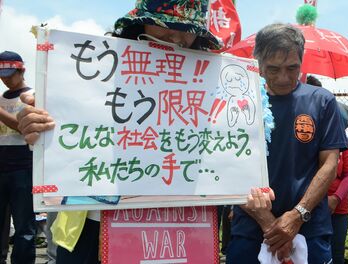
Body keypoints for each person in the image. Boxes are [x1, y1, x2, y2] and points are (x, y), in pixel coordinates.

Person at [16, 1, 222, 263]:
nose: (177, 37)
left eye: (187, 30)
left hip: (174, 228)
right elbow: (62, 128)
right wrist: (39, 128)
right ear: (140, 23)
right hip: (92, 223)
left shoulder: (209, 76)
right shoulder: (96, 64)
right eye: (166, 26)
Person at [227, 23, 348, 263]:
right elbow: (228, 166)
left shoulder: (321, 101)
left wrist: (297, 215)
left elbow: (329, 164)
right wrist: (269, 223)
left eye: (292, 68)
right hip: (250, 231)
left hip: (310, 229)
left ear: (301, 62)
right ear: (258, 64)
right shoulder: (238, 103)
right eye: (273, 69)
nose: (283, 78)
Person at [0, 50, 37, 264]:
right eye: (2, 75)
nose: (5, 79)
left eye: (9, 74)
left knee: (24, 226)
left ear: (21, 70)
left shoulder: (33, 95)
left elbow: (22, 127)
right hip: (2, 165)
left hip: (25, 166)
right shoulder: (2, 98)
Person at [327, 145, 348, 264]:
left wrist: (335, 199)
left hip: (339, 210)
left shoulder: (346, 146)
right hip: (314, 206)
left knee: (337, 254)